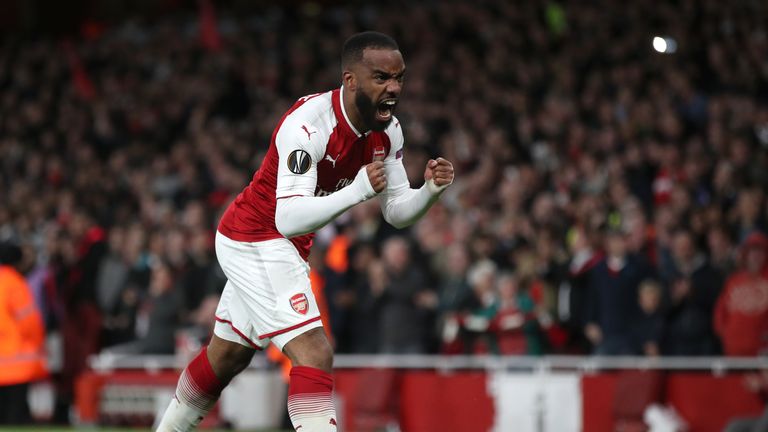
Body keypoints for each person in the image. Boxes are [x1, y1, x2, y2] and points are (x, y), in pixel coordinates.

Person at [156, 31, 454, 432]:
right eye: (381, 77)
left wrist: (430, 192)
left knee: (226, 357)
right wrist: (357, 191)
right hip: (255, 238)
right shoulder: (308, 126)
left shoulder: (389, 132)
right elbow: (288, 218)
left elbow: (397, 213)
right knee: (314, 352)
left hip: (285, 246)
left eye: (399, 78)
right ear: (351, 80)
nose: (394, 88)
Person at [0, 241, 48, 425]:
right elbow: (30, 323)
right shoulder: (15, 283)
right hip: (16, 364)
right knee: (16, 418)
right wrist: (39, 348)